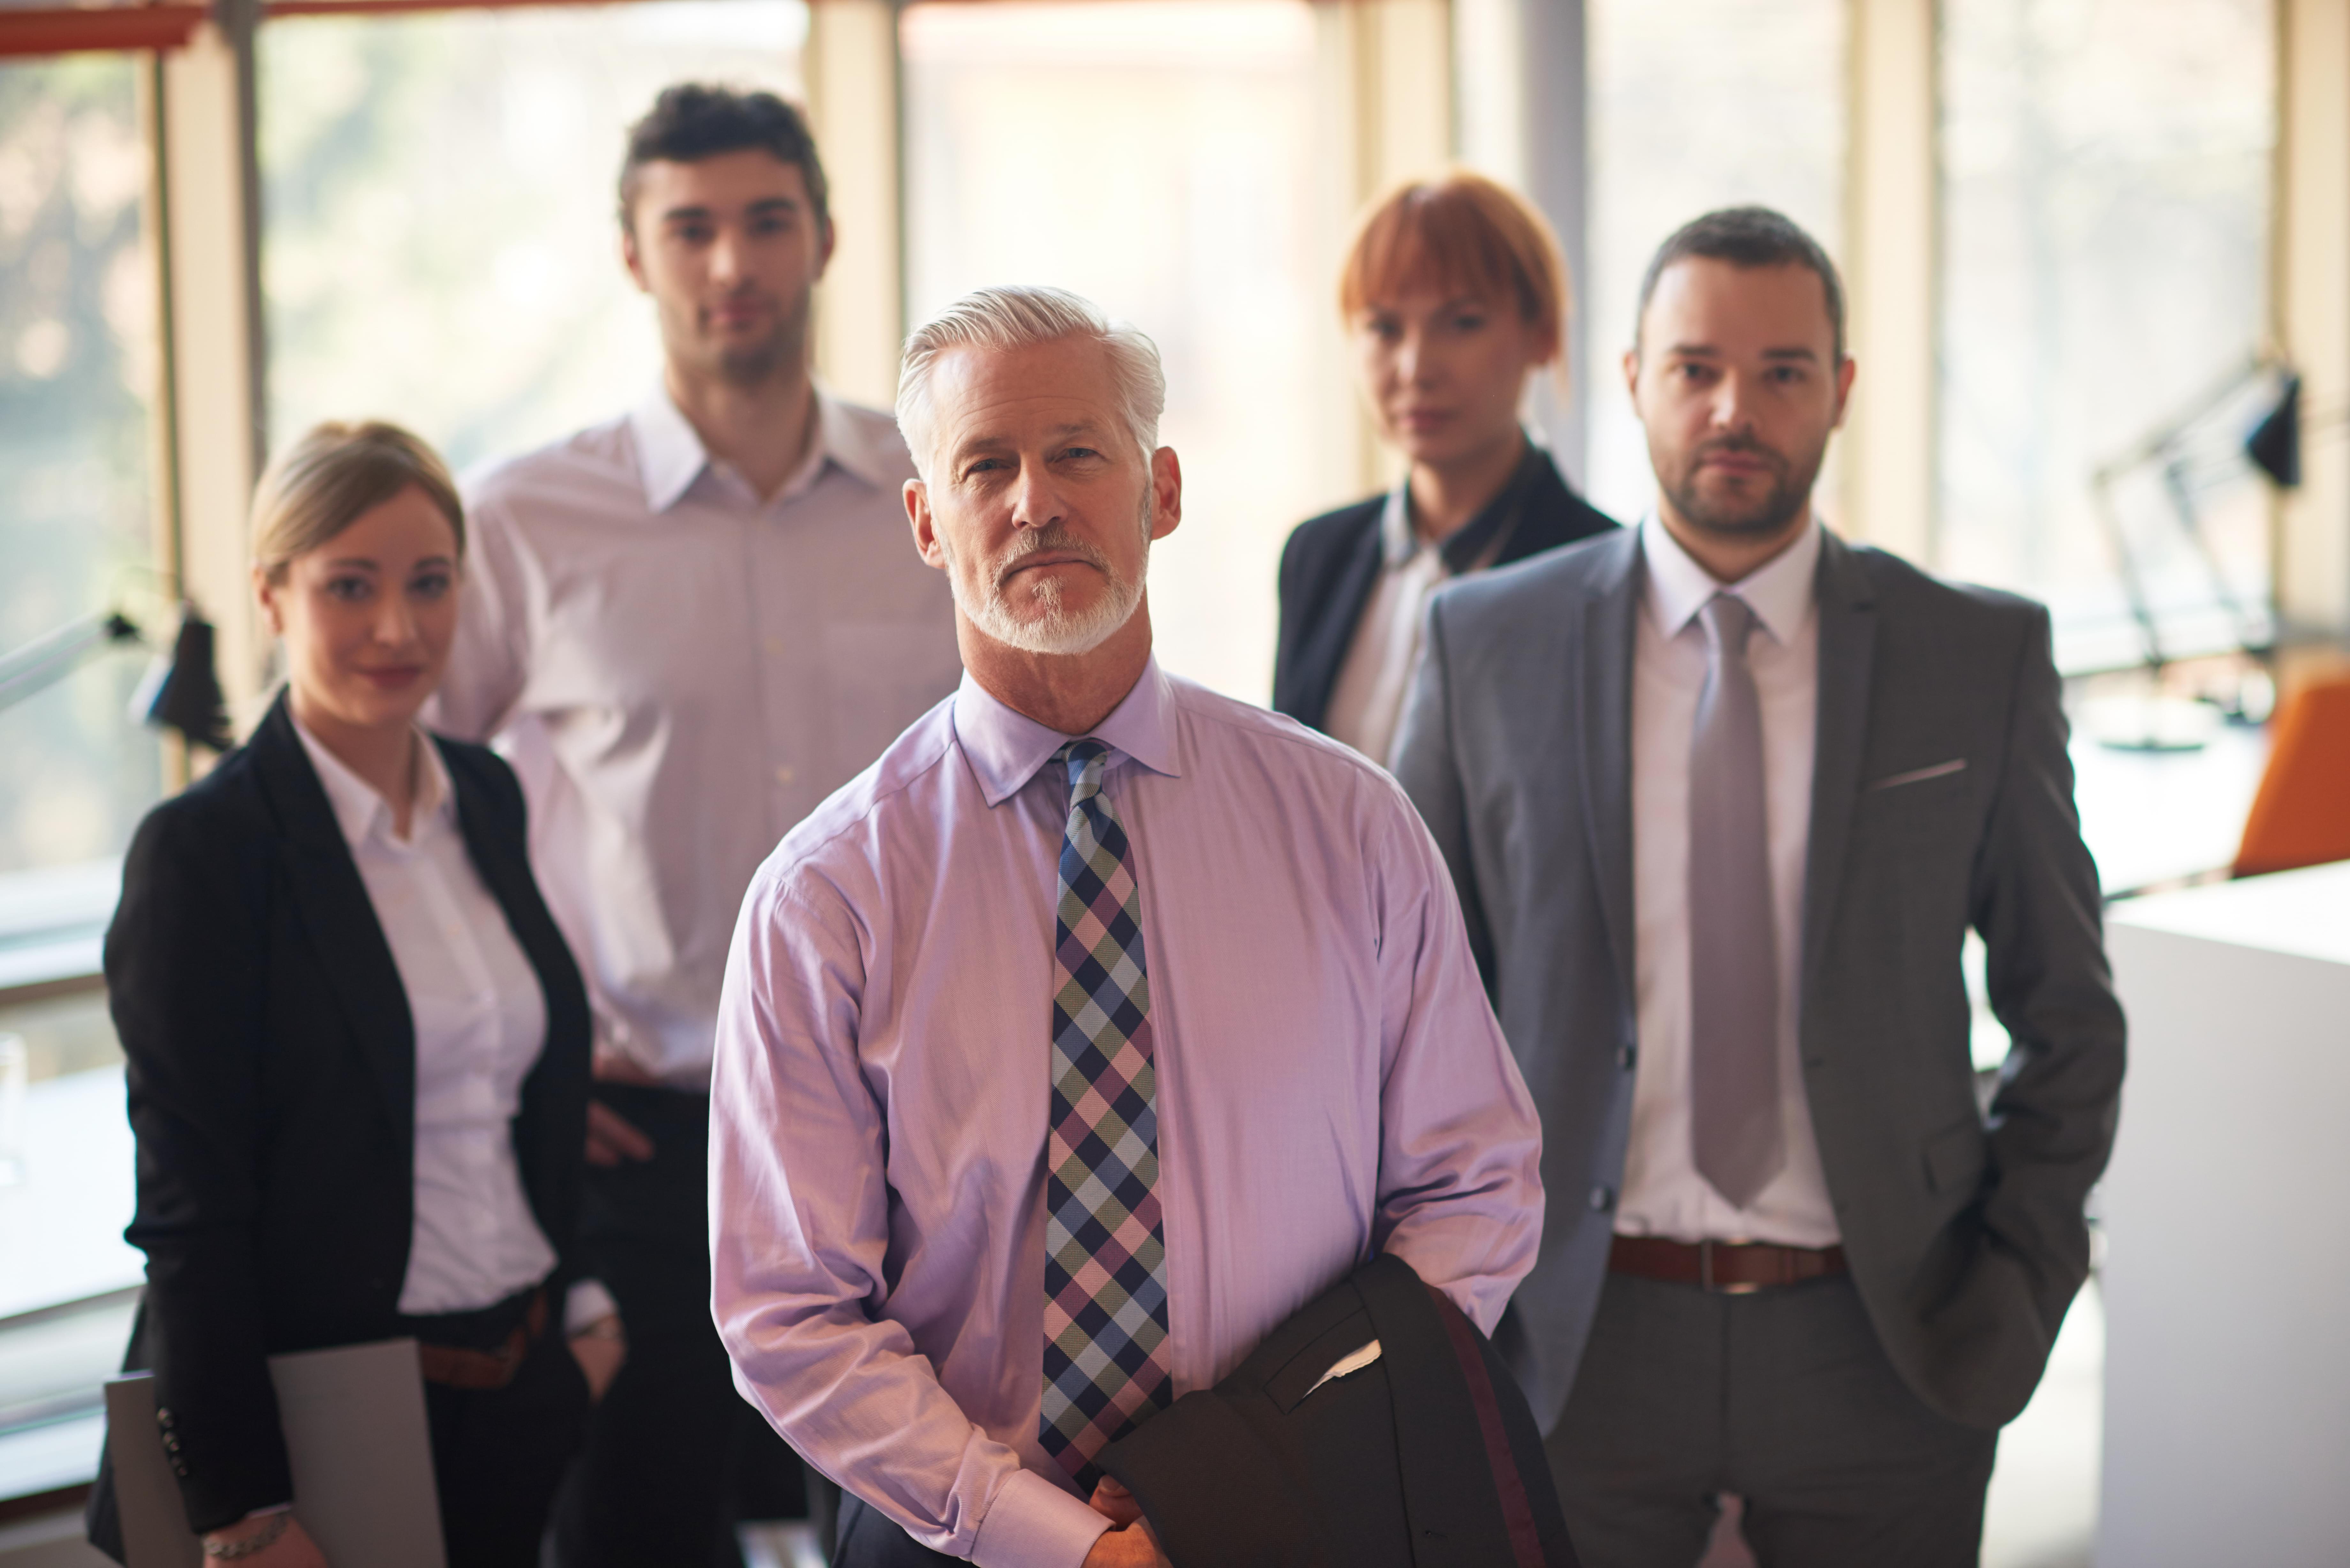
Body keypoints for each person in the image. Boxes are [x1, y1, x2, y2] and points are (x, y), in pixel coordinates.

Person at [708, 285, 1546, 1568]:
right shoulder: (827, 898)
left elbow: (1474, 1187)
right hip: (957, 1547)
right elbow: (790, 1312)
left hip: (1308, 1525)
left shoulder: (1350, 826)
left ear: (1159, 491)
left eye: (1077, 453)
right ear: (929, 523)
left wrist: (1269, 1466)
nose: (1034, 500)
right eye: (987, 464)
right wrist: (1066, 1544)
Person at [1392, 207, 2127, 1566]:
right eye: (1695, 369)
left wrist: (2016, 1288)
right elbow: (1389, 1014)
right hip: (1572, 1337)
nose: (1735, 408)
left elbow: (2068, 1016)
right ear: (1630, 380)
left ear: (1841, 390)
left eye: (1784, 370)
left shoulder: (1976, 655)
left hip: (1888, 1333)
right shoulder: (1482, 643)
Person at [429, 85, 962, 1565]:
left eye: (765, 222)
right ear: (632, 255)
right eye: (691, 228)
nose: (732, 262)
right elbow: (406, 809)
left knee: (927, 1520)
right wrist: (521, 1044)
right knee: (638, 1533)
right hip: (645, 1135)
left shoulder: (935, 495)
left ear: (825, 240)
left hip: (917, 1116)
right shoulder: (528, 520)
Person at [89, 422, 605, 1567]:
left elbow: (517, 1081)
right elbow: (190, 1210)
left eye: (430, 584)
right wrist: (242, 1505)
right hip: (325, 1420)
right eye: (350, 587)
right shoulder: (205, 853)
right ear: (271, 597)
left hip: (519, 1387)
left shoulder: (488, 792)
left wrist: (581, 1308)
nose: (397, 628)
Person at [1274, 171, 1615, 763]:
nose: (1415, 368)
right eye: (1383, 328)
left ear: (1541, 334)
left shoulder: (1603, 576)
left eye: (1462, 323)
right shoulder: (1318, 553)